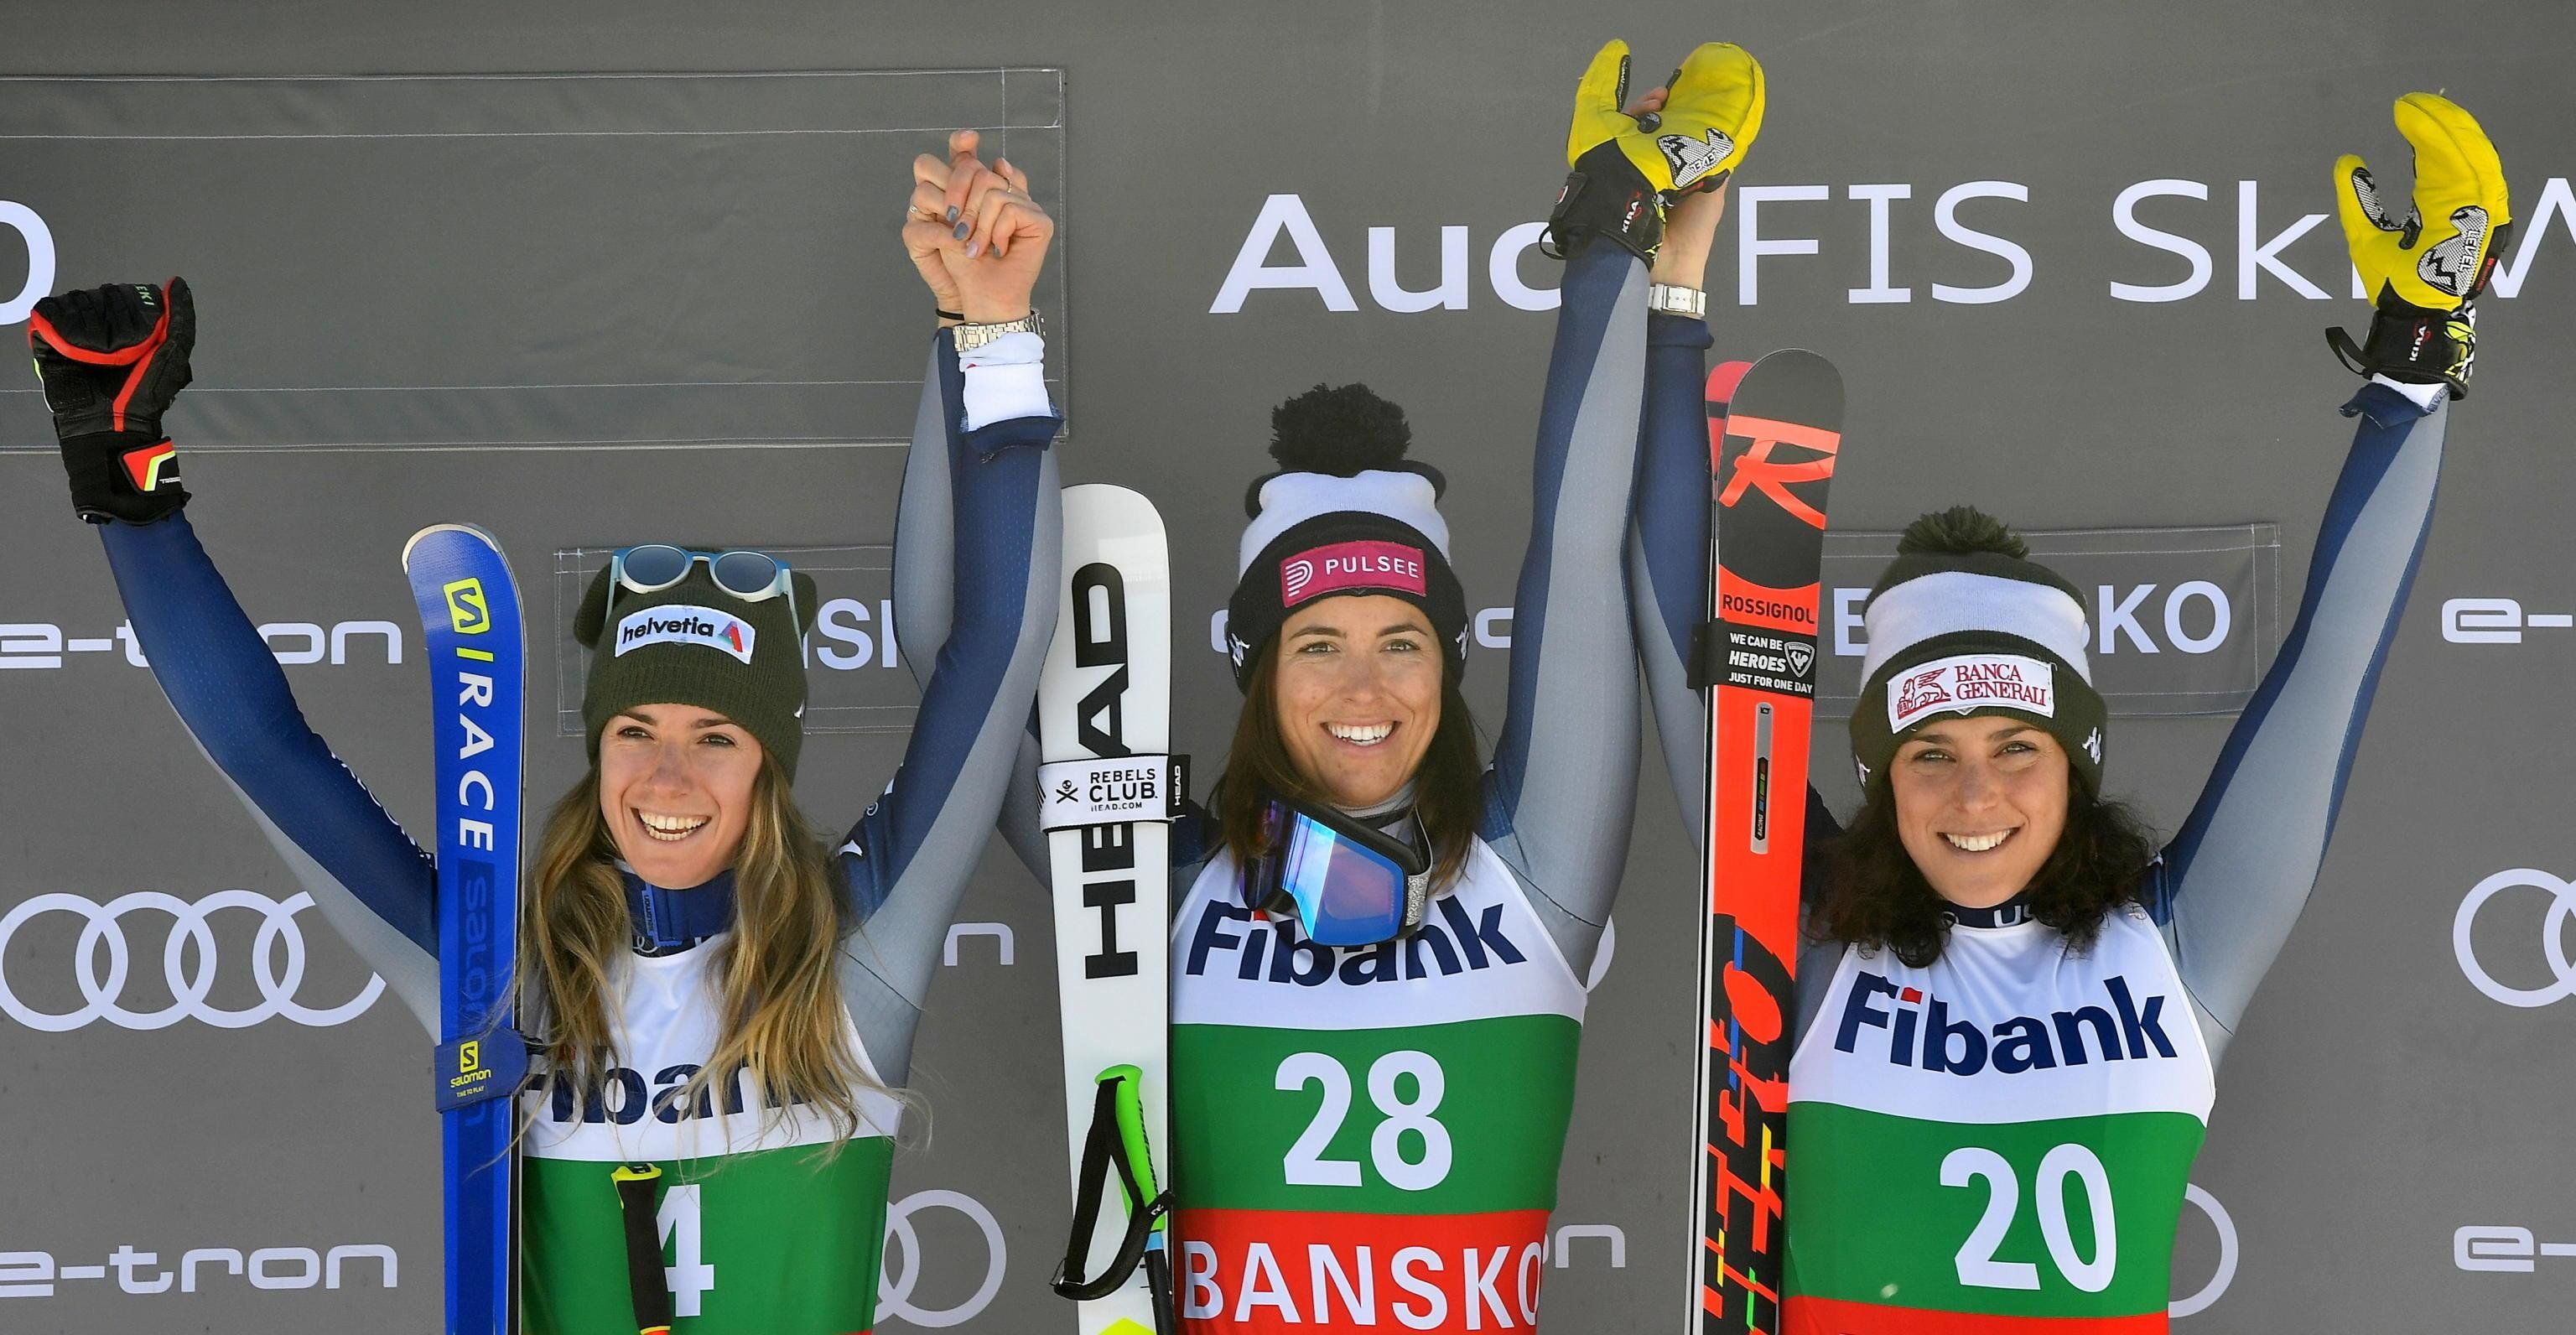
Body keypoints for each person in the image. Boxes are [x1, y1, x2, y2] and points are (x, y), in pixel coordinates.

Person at [24, 129, 1062, 1333]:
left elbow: (992, 648)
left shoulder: (853, 958)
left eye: (717, 740)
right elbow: (269, 758)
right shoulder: (505, 981)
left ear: (770, 768)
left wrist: (995, 332)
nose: (668, 773)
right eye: (636, 729)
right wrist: (124, 490)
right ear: (598, 745)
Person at [1628, 93, 2511, 1329]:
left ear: (2078, 760)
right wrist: (1665, 292)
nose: (1974, 797)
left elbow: (2333, 659)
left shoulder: (2181, 942)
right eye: (1928, 754)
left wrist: (2417, 365)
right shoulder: (1808, 933)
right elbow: (1682, 630)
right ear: (1882, 779)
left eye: (2016, 750)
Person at [963, 40, 1756, 1331]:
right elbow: (971, 687)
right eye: (1316, 644)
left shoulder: (1533, 866)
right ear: (1255, 670)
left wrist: (1630, 256)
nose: (1363, 685)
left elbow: (1581, 533)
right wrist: (987, 338)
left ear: (1450, 661)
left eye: (1402, 640)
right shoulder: (1157, 886)